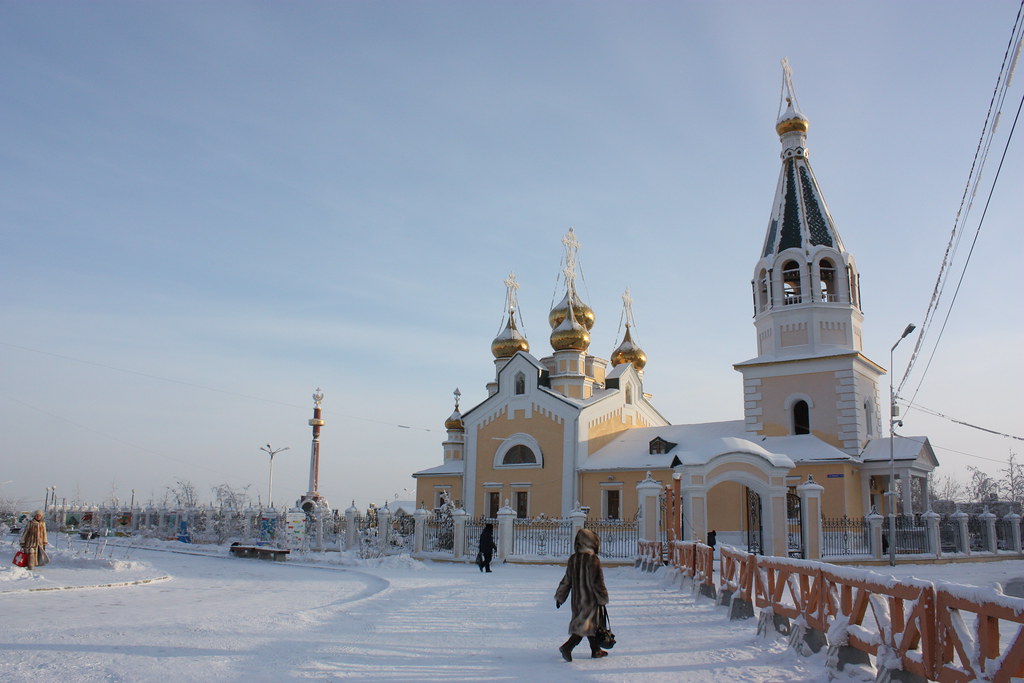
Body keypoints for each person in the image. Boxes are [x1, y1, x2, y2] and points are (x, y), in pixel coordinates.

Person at [554, 528, 609, 661]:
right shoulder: (593, 560)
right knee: (583, 626)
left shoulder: (573, 559)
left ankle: (596, 650)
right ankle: (567, 647)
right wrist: (602, 597)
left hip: (577, 600)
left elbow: (567, 580)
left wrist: (560, 596)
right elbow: (597, 582)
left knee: (590, 624)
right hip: (590, 599)